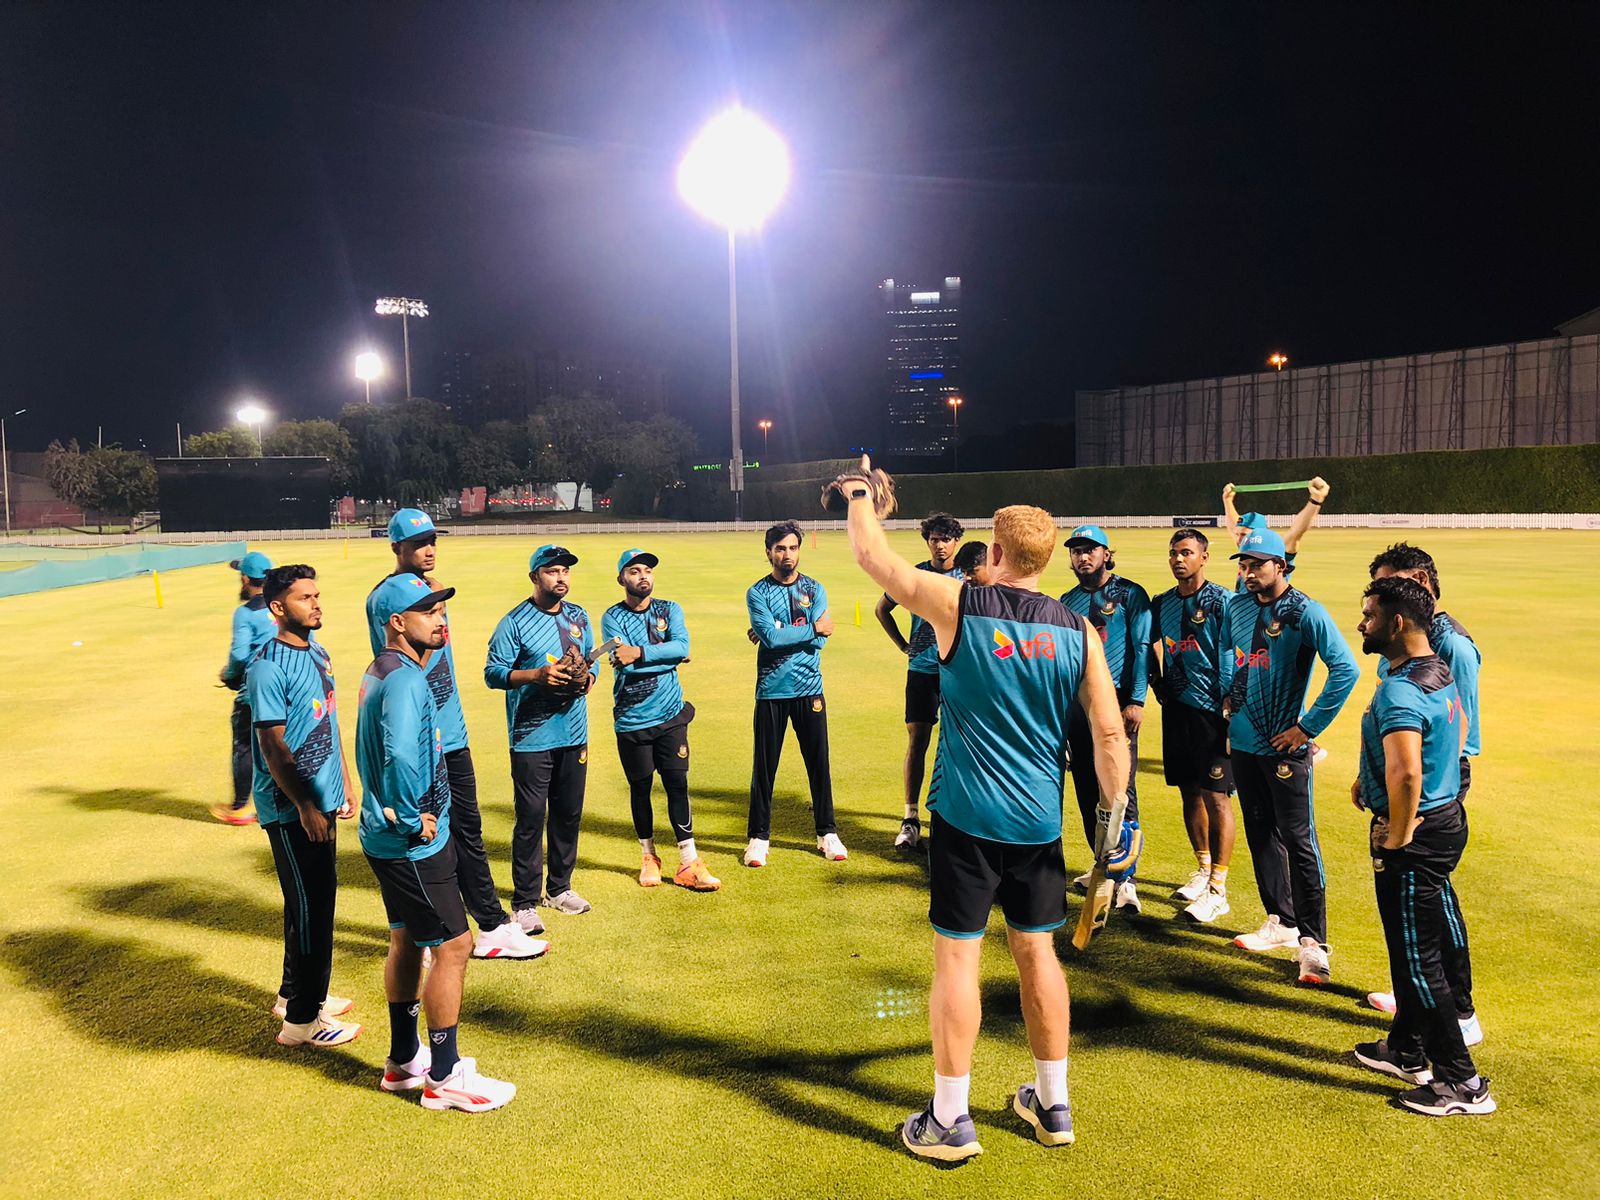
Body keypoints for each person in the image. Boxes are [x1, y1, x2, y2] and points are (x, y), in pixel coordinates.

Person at [828, 466, 1128, 1162]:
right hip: (1039, 824)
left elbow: (872, 556)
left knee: (958, 960)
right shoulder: (1079, 630)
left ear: (994, 552)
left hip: (966, 819)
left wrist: (859, 494)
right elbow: (1110, 736)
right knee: (1038, 954)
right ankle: (1052, 1105)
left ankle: (949, 1119)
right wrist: (1113, 827)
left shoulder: (959, 602)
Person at [358, 573, 515, 1111]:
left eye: (442, 610)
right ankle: (444, 1076)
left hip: (384, 840)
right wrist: (412, 818)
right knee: (454, 946)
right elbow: (401, 755)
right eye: (428, 611)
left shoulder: (382, 670)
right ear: (397, 622)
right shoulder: (405, 680)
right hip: (412, 844)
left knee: (405, 939)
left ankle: (404, 1061)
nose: (440, 619)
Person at [365, 509, 542, 960]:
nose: (429, 549)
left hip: (452, 733)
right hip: (423, 738)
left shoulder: (435, 591)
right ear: (396, 547)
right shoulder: (385, 599)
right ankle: (446, 931)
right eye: (418, 543)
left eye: (432, 541)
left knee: (467, 829)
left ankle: (485, 925)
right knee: (427, 837)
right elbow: (393, 666)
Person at [1350, 576, 1494, 1116]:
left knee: (1416, 958)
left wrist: (1400, 831)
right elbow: (1453, 735)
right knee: (1417, 947)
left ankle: (1463, 1084)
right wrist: (1370, 778)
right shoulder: (1436, 671)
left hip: (1418, 834)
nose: (1362, 624)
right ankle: (1407, 1049)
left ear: (1397, 622)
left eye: (1369, 615)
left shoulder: (1400, 688)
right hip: (1446, 818)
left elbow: (1407, 772)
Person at [1223, 527, 1358, 984]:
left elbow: (1346, 669)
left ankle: (1314, 944)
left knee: (1299, 841)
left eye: (1257, 564)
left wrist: (1307, 727)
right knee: (1260, 833)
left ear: (1281, 565)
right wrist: (1231, 702)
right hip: (1244, 743)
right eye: (1244, 565)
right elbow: (1236, 657)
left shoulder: (1305, 611)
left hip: (1285, 747)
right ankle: (1280, 921)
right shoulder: (1238, 606)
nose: (1248, 573)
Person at [1363, 544, 1482, 1045]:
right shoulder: (1410, 647)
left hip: (1435, 780)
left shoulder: (1450, 645)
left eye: (1389, 585)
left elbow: (1461, 722)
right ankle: (1416, 1012)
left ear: (1419, 585)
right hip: (1411, 772)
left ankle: (1457, 1008)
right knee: (1425, 898)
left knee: (1431, 897)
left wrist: (1412, 808)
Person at [245, 564, 360, 1048]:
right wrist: (307, 805)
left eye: (316, 595)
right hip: (292, 807)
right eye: (304, 598)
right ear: (277, 607)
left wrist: (344, 782)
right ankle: (302, 1021)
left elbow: (327, 722)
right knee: (314, 907)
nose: (316, 604)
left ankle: (295, 992)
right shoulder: (267, 666)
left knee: (306, 904)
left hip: (323, 797)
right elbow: (273, 746)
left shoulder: (318, 652)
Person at [484, 544, 599, 923]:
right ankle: (524, 902)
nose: (561, 577)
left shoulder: (579, 616)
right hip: (531, 736)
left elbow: (590, 661)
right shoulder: (514, 622)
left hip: (574, 732)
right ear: (535, 576)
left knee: (568, 814)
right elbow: (493, 673)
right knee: (531, 818)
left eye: (565, 570)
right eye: (552, 571)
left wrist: (588, 678)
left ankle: (560, 889)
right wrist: (536, 675)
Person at [601, 547, 720, 892]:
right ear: (621, 578)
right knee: (640, 788)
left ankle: (689, 862)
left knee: (677, 785)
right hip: (632, 719)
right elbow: (627, 664)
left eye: (647, 571)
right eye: (634, 571)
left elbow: (680, 647)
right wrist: (670, 656)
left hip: (671, 714)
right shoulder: (612, 617)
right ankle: (649, 856)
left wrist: (640, 653)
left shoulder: (670, 609)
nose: (643, 576)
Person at [1058, 524, 1151, 913]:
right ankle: (1101, 865)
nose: (1083, 556)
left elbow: (1142, 648)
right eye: (1077, 551)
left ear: (1106, 554)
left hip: (1117, 703)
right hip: (1079, 708)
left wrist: (1137, 700)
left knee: (1119, 790)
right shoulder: (1067, 601)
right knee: (1085, 787)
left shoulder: (1130, 594)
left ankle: (1126, 879)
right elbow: (1064, 661)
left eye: (1090, 550)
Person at [743, 520, 845, 867]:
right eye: (780, 548)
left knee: (818, 763)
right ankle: (758, 838)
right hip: (771, 690)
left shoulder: (815, 589)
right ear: (769, 552)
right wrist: (808, 628)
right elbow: (772, 639)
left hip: (809, 688)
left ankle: (827, 833)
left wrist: (779, 630)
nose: (787, 554)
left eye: (793, 547)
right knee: (764, 767)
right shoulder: (757, 592)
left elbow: (820, 641)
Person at [1148, 528, 1235, 923]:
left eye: (1186, 552)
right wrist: (1156, 680)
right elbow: (1144, 644)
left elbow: (1237, 650)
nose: (1178, 560)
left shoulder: (1223, 601)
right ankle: (1203, 869)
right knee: (1189, 792)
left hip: (1213, 713)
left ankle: (1219, 888)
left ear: (1204, 557)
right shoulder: (1161, 603)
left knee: (1217, 797)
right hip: (1178, 710)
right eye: (1173, 553)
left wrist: (1232, 699)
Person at [874, 512, 964, 851]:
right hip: (923, 669)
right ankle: (910, 819)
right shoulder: (915, 575)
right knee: (918, 740)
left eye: (946, 539)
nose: (940, 545)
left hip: (958, 672)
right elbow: (882, 609)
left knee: (959, 743)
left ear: (956, 541)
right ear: (927, 541)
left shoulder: (967, 577)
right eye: (934, 539)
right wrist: (902, 645)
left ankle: (954, 819)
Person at [214, 550, 276, 825]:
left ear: (245, 579)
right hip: (285, 687)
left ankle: (240, 807)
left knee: (245, 747)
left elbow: (239, 655)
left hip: (254, 690)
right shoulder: (281, 604)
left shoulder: (245, 613)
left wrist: (228, 675)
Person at [1220, 477, 1331, 591]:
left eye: (1244, 535)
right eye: (1237, 535)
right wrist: (1227, 500)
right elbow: (1234, 527)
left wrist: (1315, 500)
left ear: (1258, 535)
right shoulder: (1246, 548)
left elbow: (1295, 532)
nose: (1238, 540)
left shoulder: (1276, 553)